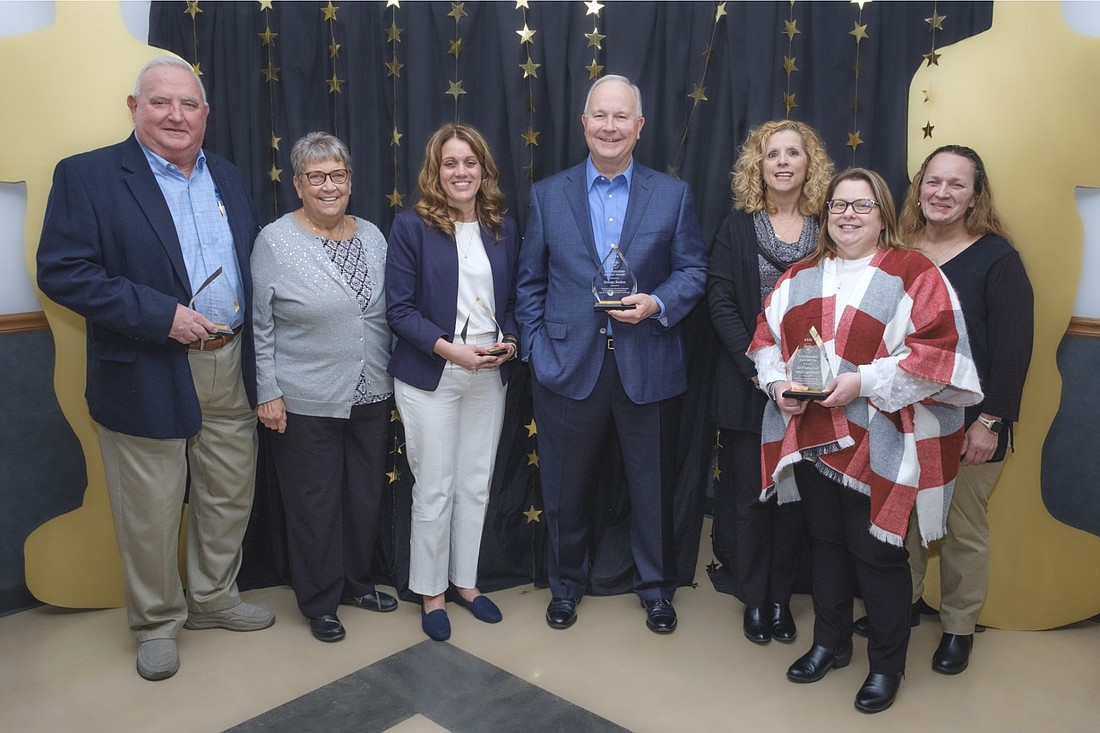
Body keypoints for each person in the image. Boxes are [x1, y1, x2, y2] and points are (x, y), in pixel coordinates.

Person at [36, 56, 273, 681]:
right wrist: (159, 314)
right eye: (161, 102)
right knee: (151, 506)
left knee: (228, 492)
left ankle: (214, 599)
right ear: (134, 107)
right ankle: (157, 623)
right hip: (145, 363)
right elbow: (64, 271)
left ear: (205, 115)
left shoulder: (227, 174)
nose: (176, 115)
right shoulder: (87, 176)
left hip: (229, 359)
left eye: (189, 104)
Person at [748, 168, 982, 712]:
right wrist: (778, 382)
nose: (848, 215)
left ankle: (886, 664)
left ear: (883, 215)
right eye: (838, 206)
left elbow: (939, 357)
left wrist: (863, 382)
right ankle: (829, 643)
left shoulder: (913, 272)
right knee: (825, 544)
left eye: (862, 206)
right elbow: (765, 341)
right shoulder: (801, 274)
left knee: (877, 553)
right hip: (814, 437)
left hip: (884, 438)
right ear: (825, 214)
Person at [516, 75, 707, 634]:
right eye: (600, 115)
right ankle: (566, 585)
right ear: (584, 123)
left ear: (639, 126)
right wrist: (535, 348)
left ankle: (655, 588)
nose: (609, 126)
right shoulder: (548, 195)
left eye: (621, 117)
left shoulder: (671, 195)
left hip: (646, 365)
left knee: (651, 489)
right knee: (565, 490)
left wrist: (657, 303)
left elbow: (694, 270)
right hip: (567, 367)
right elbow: (529, 283)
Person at [252, 132, 398, 643]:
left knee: (362, 496)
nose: (328, 185)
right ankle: (319, 600)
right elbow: (261, 324)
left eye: (337, 175)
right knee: (314, 502)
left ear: (350, 181)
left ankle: (357, 582)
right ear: (297, 184)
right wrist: (267, 390)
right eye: (316, 177)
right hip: (303, 396)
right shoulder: (275, 240)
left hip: (373, 391)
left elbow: (385, 313)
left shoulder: (375, 236)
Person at [897, 145, 1033, 673]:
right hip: (903, 415)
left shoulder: (997, 259)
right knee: (901, 517)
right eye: (934, 181)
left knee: (960, 529)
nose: (942, 193)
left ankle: (958, 627)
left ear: (975, 196)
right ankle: (901, 605)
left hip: (973, 422)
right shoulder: (898, 249)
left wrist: (992, 423)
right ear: (918, 187)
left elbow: (1014, 348)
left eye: (957, 185)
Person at [386, 123, 519, 642]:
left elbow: (511, 299)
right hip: (432, 373)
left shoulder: (501, 226)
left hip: (489, 371)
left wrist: (509, 340)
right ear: (434, 171)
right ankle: (431, 592)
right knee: (435, 488)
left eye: (469, 162)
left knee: (475, 484)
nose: (460, 172)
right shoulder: (411, 226)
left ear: (483, 169)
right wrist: (449, 349)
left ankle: (466, 584)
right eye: (450, 163)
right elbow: (398, 309)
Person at [707, 120, 832, 646]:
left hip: (812, 396)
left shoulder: (831, 226)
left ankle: (782, 599)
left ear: (810, 164)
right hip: (748, 389)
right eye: (771, 154)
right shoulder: (737, 228)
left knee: (795, 504)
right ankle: (754, 599)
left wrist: (806, 377)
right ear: (757, 166)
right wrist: (761, 371)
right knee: (750, 500)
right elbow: (720, 301)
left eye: (793, 154)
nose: (782, 162)